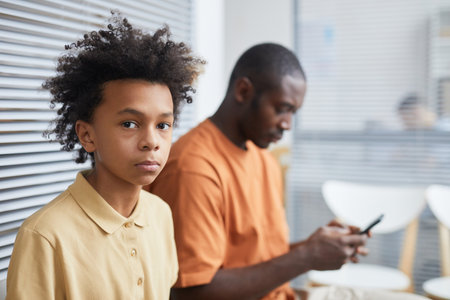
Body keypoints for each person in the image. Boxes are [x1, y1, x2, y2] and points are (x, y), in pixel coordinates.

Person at [148, 43, 368, 300]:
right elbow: (193, 293)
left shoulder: (264, 158)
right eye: (282, 108)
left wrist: (316, 248)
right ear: (243, 91)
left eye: (293, 112)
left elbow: (255, 258)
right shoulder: (193, 168)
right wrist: (306, 257)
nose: (287, 124)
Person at [6, 14, 203, 300]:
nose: (151, 142)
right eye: (129, 124)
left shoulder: (161, 214)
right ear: (87, 135)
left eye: (163, 125)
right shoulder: (45, 235)